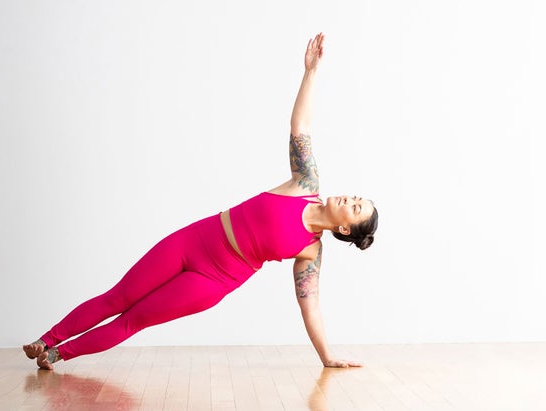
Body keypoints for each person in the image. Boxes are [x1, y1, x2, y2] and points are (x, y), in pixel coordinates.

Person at [23, 33, 378, 370]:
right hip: (195, 240)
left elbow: (310, 309)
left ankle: (57, 355)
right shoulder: (306, 183)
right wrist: (311, 72)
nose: (351, 198)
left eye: (356, 206)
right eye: (357, 197)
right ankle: (45, 339)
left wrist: (327, 356)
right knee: (118, 297)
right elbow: (300, 126)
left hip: (213, 280)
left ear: (345, 227)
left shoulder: (310, 253)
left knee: (134, 320)